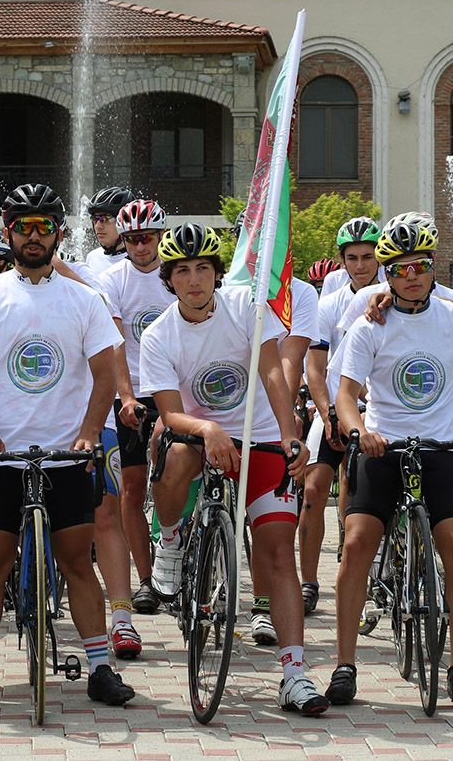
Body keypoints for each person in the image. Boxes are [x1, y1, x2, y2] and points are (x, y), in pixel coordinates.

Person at [0, 183, 135, 710]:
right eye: (23, 227)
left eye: (43, 227)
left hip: (66, 453)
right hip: (1, 455)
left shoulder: (83, 300)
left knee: (76, 562)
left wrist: (89, 433)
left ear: (59, 234)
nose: (33, 236)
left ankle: (100, 669)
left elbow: (104, 377)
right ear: (8, 234)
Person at [138, 223, 326, 715]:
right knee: (176, 454)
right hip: (197, 437)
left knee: (278, 554)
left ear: (218, 274)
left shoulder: (246, 307)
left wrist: (288, 434)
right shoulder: (159, 335)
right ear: (169, 279)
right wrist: (207, 429)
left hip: (259, 438)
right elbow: (169, 412)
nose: (194, 279)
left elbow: (272, 371)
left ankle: (294, 674)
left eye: (203, 268)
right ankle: (172, 539)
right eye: (182, 271)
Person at [330, 215, 453, 709]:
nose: (410, 275)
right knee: (357, 542)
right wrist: (360, 431)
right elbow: (346, 394)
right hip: (382, 449)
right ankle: (345, 665)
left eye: (420, 265)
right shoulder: (369, 324)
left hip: (440, 450)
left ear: (433, 267)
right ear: (386, 274)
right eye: (399, 268)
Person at [96, 198, 170, 653]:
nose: (140, 247)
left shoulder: (175, 273)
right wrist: (125, 396)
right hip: (132, 392)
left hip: (173, 390)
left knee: (176, 478)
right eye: (131, 240)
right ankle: (145, 580)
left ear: (160, 237)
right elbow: (116, 343)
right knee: (132, 488)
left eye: (146, 238)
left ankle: (178, 546)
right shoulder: (113, 279)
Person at [299, 217, 382, 615]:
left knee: (358, 490)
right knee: (314, 490)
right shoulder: (328, 305)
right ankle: (308, 581)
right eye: (352, 258)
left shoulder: (393, 296)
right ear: (342, 260)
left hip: (377, 411)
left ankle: (366, 573)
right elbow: (315, 368)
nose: (361, 265)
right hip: (333, 408)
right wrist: (327, 411)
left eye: (368, 257)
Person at [83, 186, 134, 276]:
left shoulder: (139, 261)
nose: (98, 226)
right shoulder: (93, 257)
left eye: (106, 218)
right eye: (95, 219)